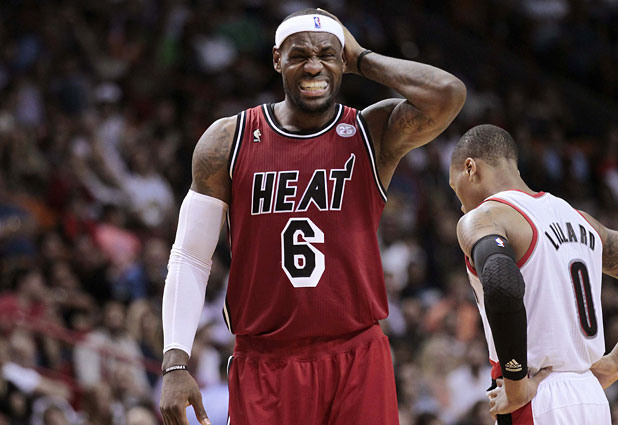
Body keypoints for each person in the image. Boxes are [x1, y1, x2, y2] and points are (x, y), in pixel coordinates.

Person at [159, 7, 466, 425]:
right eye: (300, 55)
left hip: (357, 355)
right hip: (266, 361)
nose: (314, 66)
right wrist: (175, 361)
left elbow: (448, 93)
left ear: (342, 61)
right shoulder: (228, 140)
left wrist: (362, 58)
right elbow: (190, 256)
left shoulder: (371, 132)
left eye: (326, 54)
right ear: (277, 60)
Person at [448, 124, 618, 424]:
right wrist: (615, 364)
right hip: (590, 394)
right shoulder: (582, 220)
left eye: (454, 187)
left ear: (470, 168)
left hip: (535, 395)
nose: (461, 205)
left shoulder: (484, 217)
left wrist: (515, 385)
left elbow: (501, 285)